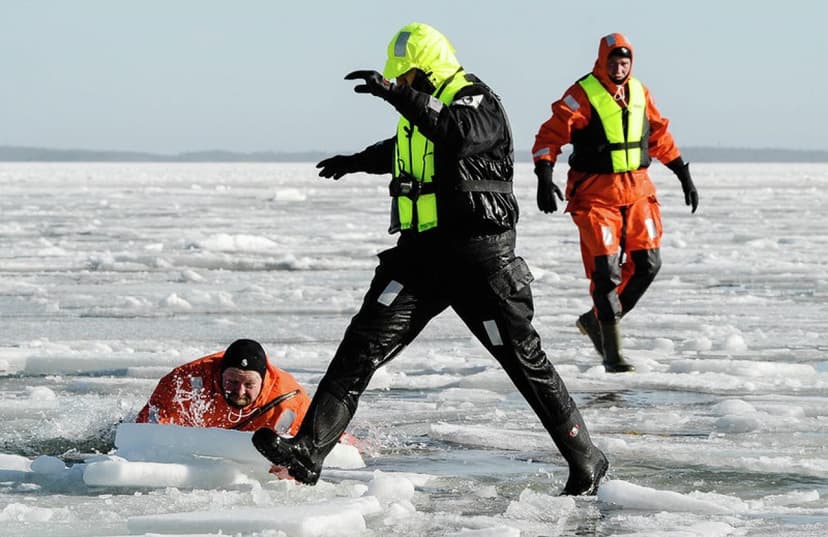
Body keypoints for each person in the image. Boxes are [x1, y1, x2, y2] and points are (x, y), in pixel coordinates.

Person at [252, 22, 608, 496]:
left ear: (428, 68)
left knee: (522, 360)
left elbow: (456, 133)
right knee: (361, 345)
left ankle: (586, 458)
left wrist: (396, 97)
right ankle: (309, 453)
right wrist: (354, 161)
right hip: (419, 258)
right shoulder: (420, 108)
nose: (401, 84)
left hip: (481, 259)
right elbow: (406, 148)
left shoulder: (476, 101)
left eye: (406, 77)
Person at [531, 32, 699, 373]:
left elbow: (659, 135)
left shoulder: (639, 92)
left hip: (637, 190)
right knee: (605, 273)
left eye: (624, 62)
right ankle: (612, 355)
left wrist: (683, 173)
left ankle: (596, 321)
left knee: (648, 264)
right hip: (596, 195)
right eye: (613, 62)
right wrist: (544, 176)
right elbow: (550, 135)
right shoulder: (582, 95)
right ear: (601, 61)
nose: (619, 68)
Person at [136, 338, 310, 434]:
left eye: (249, 384)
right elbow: (148, 431)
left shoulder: (289, 398)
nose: (240, 392)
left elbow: (325, 439)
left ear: (263, 380)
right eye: (232, 382)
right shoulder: (187, 382)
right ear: (219, 374)